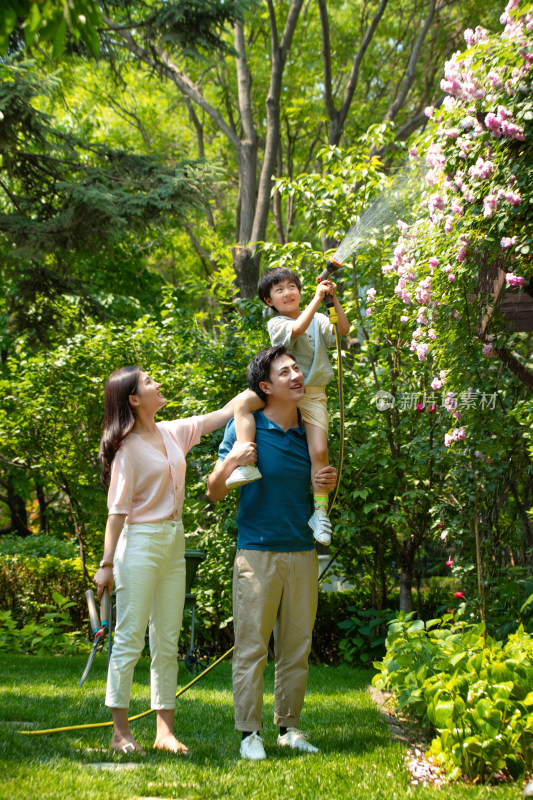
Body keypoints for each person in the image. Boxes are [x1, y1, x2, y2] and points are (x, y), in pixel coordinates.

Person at [94, 366, 239, 756]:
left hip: (174, 539)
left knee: (166, 639)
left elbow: (223, 414)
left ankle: (164, 732)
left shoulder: (172, 432)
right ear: (134, 400)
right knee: (128, 641)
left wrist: (266, 384)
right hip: (138, 542)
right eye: (149, 382)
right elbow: (117, 512)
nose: (158, 384)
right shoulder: (126, 450)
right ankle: (120, 733)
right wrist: (107, 564)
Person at [206, 345, 337, 760]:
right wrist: (231, 464)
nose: (297, 375)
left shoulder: (311, 429)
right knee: (252, 648)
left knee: (297, 647)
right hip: (257, 554)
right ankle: (249, 735)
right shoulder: (247, 427)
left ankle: (289, 728)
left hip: (301, 553)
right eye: (286, 372)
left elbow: (319, 486)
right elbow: (213, 491)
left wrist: (327, 482)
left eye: (297, 368)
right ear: (266, 386)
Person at [225, 267, 349, 547]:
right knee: (244, 402)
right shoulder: (277, 323)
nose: (287, 293)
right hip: (282, 393)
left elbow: (342, 329)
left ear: (300, 290)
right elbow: (296, 328)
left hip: (313, 393)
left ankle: (319, 513)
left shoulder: (318, 318)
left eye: (292, 287)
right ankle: (246, 464)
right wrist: (317, 298)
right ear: (269, 301)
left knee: (319, 451)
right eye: (278, 290)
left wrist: (332, 299)